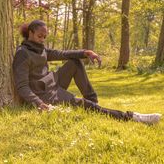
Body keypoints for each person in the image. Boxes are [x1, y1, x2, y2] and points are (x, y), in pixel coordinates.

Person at [13, 20, 162, 125]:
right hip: (45, 94)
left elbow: (62, 53)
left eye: (45, 37)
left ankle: (93, 102)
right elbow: (22, 87)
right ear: (30, 33)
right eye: (40, 36)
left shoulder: (41, 49)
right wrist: (39, 103)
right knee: (82, 104)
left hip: (53, 82)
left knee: (74, 62)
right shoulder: (23, 53)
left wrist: (85, 52)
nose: (42, 40)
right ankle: (132, 117)